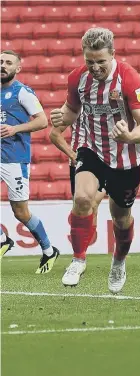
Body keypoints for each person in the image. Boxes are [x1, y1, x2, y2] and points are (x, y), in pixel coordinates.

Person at [50, 28, 140, 293]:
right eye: (90, 61)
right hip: (90, 148)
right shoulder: (77, 78)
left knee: (121, 218)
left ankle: (118, 261)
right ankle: (78, 259)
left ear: (113, 55)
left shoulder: (129, 78)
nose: (95, 67)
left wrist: (130, 136)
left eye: (100, 61)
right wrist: (61, 117)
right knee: (82, 199)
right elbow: (71, 111)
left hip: (124, 156)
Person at [0, 50, 60, 273]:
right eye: (0, 62)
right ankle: (2, 240)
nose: (3, 66)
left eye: (8, 63)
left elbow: (43, 121)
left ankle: (48, 250)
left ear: (17, 68)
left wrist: (15, 128)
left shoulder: (22, 92)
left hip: (15, 159)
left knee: (21, 212)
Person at [49, 118, 106, 246]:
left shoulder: (109, 105)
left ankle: (82, 251)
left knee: (94, 204)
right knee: (83, 205)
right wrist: (73, 155)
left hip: (106, 159)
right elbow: (54, 134)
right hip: (81, 160)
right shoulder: (76, 104)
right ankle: (80, 254)